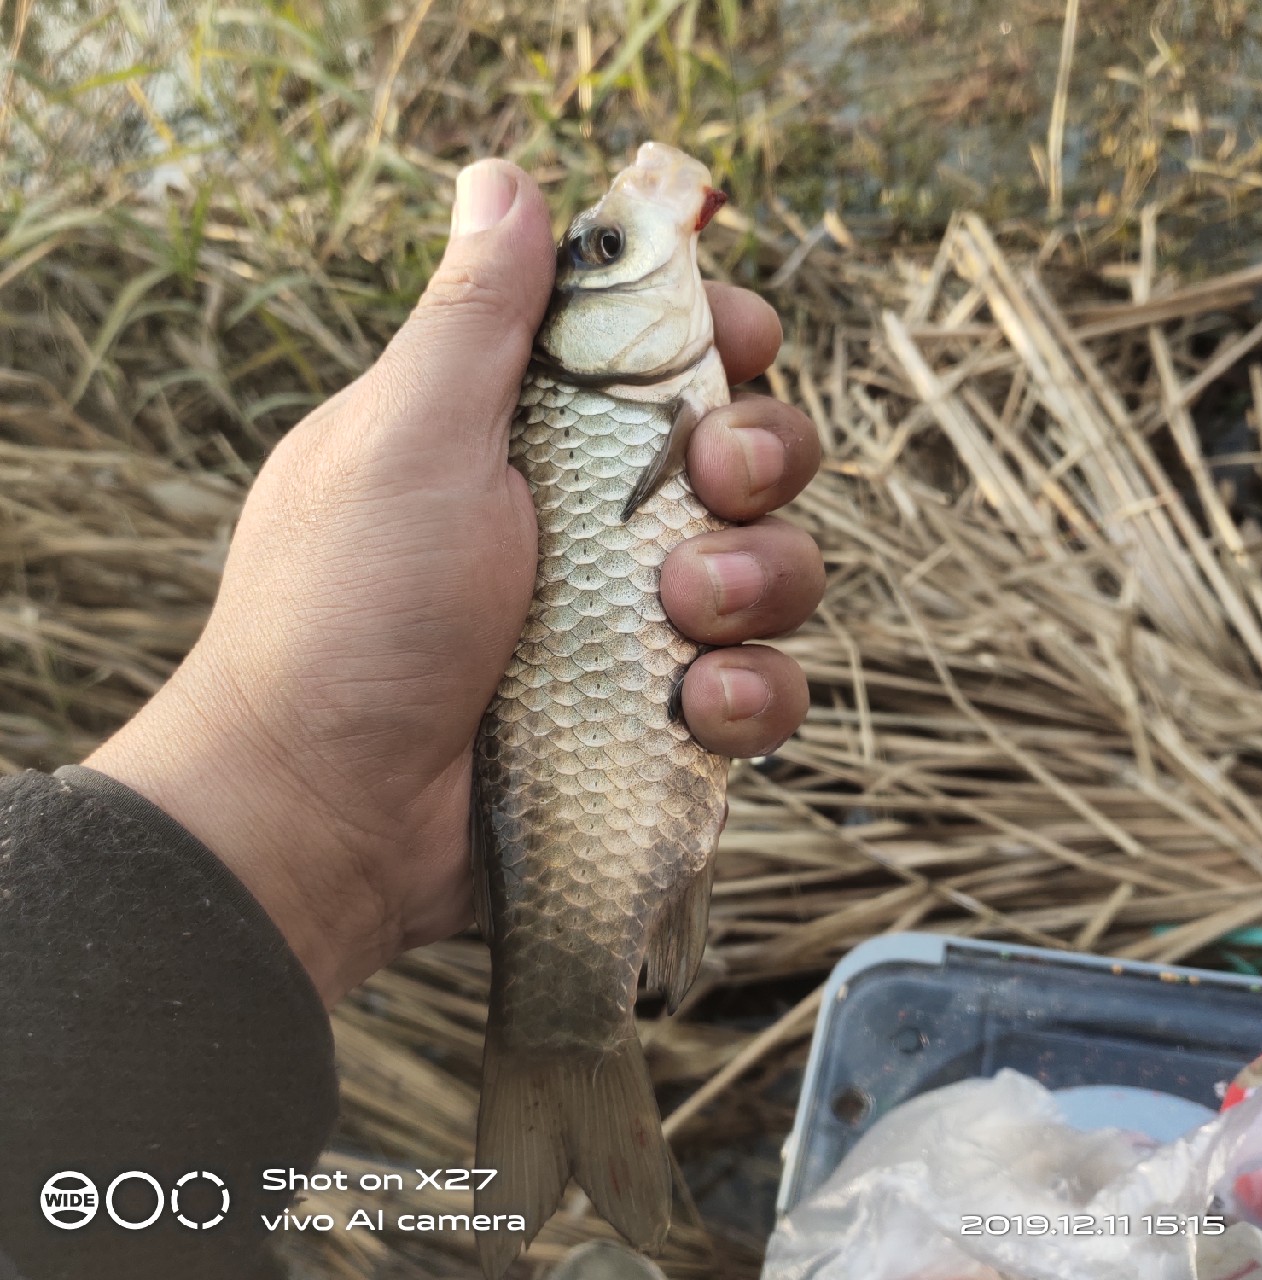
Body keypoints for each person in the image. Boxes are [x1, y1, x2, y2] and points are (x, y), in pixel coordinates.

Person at [0, 159, 825, 1279]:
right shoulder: (606, 392)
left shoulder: (629, 389)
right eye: (602, 253)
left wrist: (287, 798)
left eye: (601, 251)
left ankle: (565, 1050)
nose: (622, 249)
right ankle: (564, 1040)